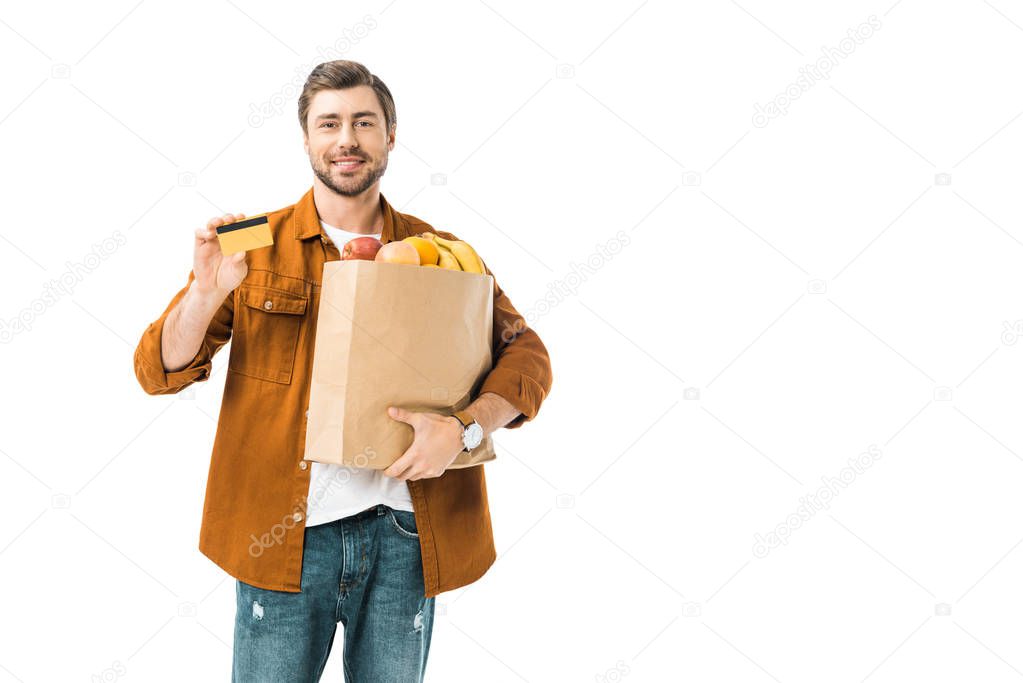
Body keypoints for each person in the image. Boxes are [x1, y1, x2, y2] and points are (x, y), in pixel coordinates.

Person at [132, 60, 553, 682]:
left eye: (363, 122)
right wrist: (204, 294)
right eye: (329, 123)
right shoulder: (253, 238)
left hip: (406, 535)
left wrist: (465, 428)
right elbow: (157, 370)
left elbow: (528, 357)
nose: (346, 139)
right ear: (306, 139)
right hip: (282, 537)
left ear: (389, 135)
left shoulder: (442, 250)